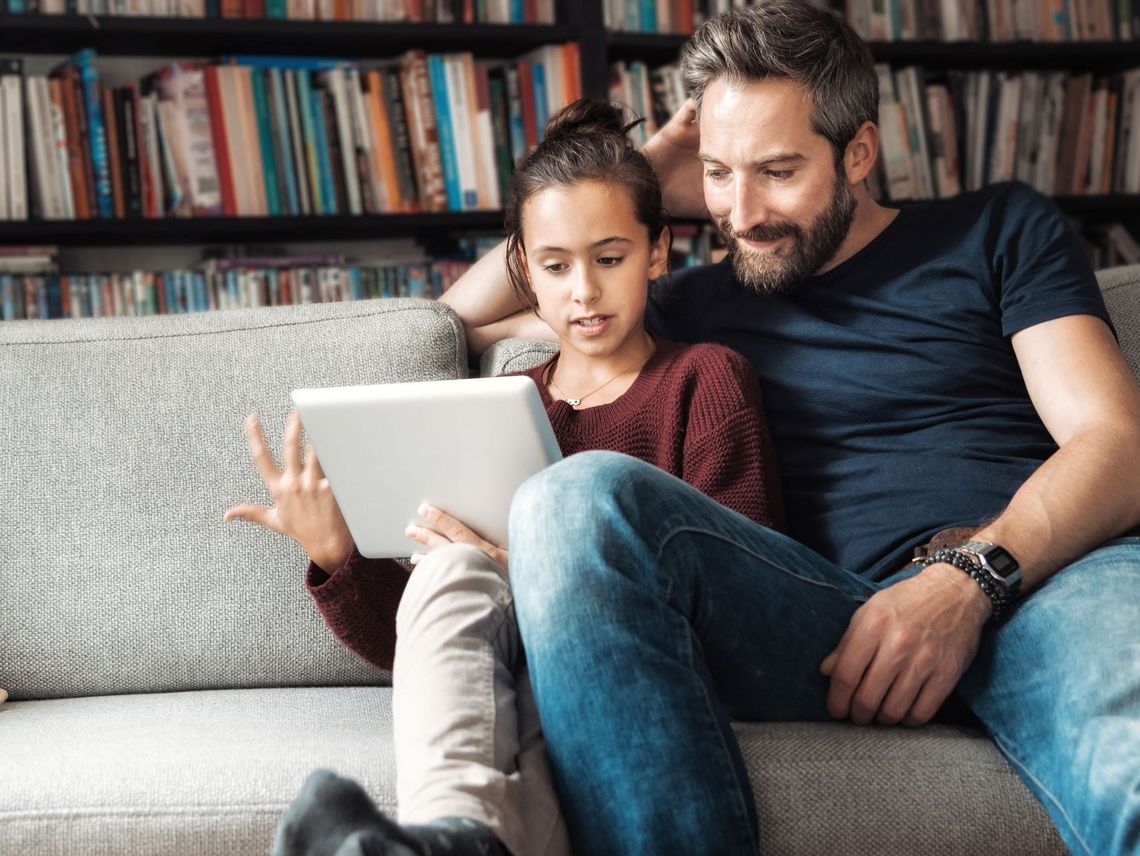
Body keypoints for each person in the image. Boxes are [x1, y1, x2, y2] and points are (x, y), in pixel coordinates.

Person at [438, 4, 1140, 855]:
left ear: (859, 152)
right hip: (820, 619)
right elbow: (454, 325)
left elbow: (1116, 441)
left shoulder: (996, 231)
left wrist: (966, 580)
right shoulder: (684, 305)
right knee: (570, 501)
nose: (742, 212)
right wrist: (641, 177)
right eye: (720, 174)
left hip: (1033, 577)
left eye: (776, 171)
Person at [224, 98, 785, 856]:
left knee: (504, 610)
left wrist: (545, 579)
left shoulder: (705, 381)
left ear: (657, 254)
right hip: (505, 673)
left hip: (628, 669)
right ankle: (453, 837)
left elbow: (745, 593)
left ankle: (450, 841)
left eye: (610, 258)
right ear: (524, 271)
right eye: (555, 267)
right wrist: (337, 556)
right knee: (450, 566)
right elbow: (421, 655)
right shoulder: (494, 412)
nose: (583, 290)